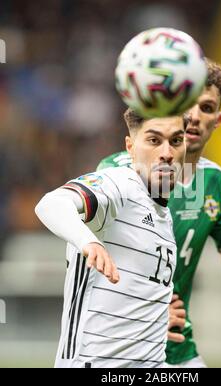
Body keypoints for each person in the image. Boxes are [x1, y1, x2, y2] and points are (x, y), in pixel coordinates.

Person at [97, 59, 221, 368]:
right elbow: (90, 261)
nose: (193, 116)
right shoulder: (119, 172)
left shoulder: (216, 184)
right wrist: (142, 313)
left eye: (206, 108)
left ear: (218, 120)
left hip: (178, 351)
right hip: (117, 348)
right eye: (186, 104)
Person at [35, 112, 187, 368]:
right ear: (130, 147)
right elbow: (50, 204)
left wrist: (155, 319)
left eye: (175, 141)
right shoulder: (121, 184)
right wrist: (89, 242)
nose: (166, 153)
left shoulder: (163, 214)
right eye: (153, 140)